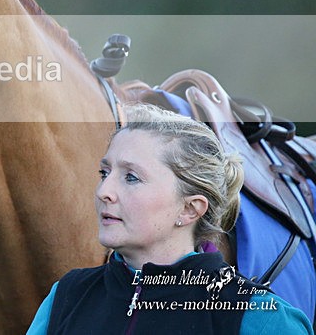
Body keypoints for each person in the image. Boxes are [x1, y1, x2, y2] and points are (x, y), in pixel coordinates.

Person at [26, 103, 313, 335]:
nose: (104, 191)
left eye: (131, 177)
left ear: (190, 209)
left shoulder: (259, 318)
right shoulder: (67, 296)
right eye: (104, 173)